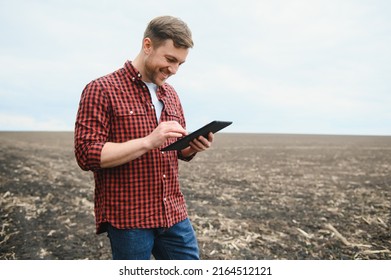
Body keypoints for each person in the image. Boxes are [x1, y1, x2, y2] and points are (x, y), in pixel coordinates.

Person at [74, 15, 213, 260]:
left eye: (180, 63)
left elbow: (174, 150)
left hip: (173, 213)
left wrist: (191, 148)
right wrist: (148, 141)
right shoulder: (101, 89)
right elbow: (87, 154)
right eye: (170, 59)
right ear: (147, 46)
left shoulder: (170, 94)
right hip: (130, 219)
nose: (174, 70)